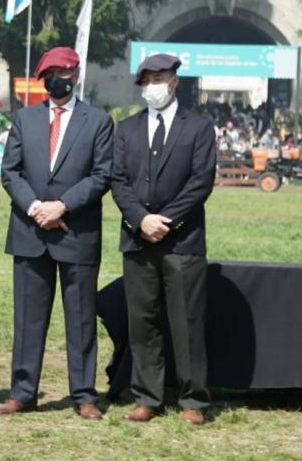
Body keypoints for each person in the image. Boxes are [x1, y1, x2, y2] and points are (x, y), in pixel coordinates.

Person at [0, 46, 114, 421]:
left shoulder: (98, 121)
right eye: (49, 75)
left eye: (63, 73)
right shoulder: (24, 118)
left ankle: (84, 394)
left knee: (80, 319)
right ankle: (23, 391)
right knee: (28, 319)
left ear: (76, 75)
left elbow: (102, 174)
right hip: (30, 232)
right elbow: (10, 172)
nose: (55, 81)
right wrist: (35, 208)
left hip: (76, 231)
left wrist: (61, 205)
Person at [111, 54, 216, 425]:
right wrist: (141, 219)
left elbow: (201, 181)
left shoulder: (199, 126)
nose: (153, 84)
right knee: (143, 322)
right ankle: (147, 397)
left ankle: (193, 400)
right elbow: (118, 182)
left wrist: (166, 221)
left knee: (187, 323)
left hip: (182, 242)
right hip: (138, 241)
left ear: (174, 81)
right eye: (147, 79)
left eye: (159, 77)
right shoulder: (126, 129)